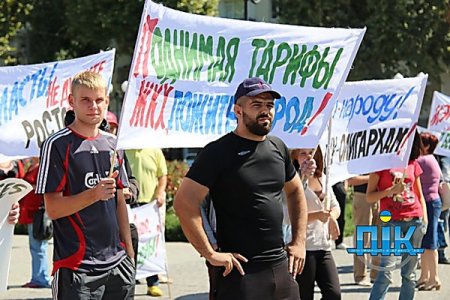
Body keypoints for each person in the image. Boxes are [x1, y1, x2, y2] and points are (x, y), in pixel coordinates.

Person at [174, 77, 307, 300]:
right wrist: (210, 253)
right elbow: (184, 204)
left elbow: (295, 191)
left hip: (281, 268)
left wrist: (299, 242)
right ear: (238, 110)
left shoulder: (278, 147)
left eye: (269, 105)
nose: (265, 111)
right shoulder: (217, 152)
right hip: (241, 273)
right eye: (257, 105)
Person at [35, 71, 135, 299]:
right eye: (85, 100)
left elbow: (120, 200)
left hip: (118, 265)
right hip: (77, 267)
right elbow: (53, 208)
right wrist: (94, 194)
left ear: (107, 102)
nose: (94, 106)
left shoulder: (113, 144)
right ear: (72, 102)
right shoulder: (57, 144)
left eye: (99, 100)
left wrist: (129, 254)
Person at [367, 131, 427, 300]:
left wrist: (425, 218)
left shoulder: (412, 162)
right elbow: (369, 196)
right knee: (385, 272)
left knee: (409, 275)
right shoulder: (380, 164)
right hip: (390, 222)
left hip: (415, 220)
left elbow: (419, 194)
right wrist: (390, 191)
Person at [291, 147, 341, 300]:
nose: (308, 157)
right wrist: (317, 215)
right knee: (305, 294)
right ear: (294, 157)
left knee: (334, 294)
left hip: (324, 245)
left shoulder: (322, 178)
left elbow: (335, 206)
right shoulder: (291, 181)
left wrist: (331, 217)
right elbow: (288, 216)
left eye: (311, 152)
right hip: (304, 247)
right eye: (303, 154)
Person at [126, 148, 167, 297]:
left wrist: (160, 193)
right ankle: (130, 282)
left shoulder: (155, 151)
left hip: (149, 205)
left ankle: (153, 284)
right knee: (130, 244)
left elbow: (162, 175)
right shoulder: (125, 149)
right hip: (129, 204)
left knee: (151, 246)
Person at [19, 157, 51, 288]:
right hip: (32, 212)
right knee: (37, 247)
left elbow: (45, 187)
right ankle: (38, 276)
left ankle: (41, 278)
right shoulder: (32, 167)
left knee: (38, 246)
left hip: (37, 212)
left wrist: (30, 187)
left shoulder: (40, 168)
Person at [416, 132, 442, 290]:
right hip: (431, 202)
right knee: (425, 242)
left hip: (430, 203)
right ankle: (424, 276)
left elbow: (408, 166)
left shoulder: (424, 160)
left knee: (431, 243)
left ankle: (434, 278)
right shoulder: (431, 159)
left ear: (426, 146)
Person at [348, 174, 380, 286]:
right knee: (363, 237)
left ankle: (376, 273)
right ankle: (360, 275)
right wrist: (374, 177)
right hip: (362, 195)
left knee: (379, 238)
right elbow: (351, 180)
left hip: (380, 195)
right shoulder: (359, 158)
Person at [332, 181, 348, 250]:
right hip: (328, 182)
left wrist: (345, 186)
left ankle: (339, 241)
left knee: (341, 215)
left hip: (339, 184)